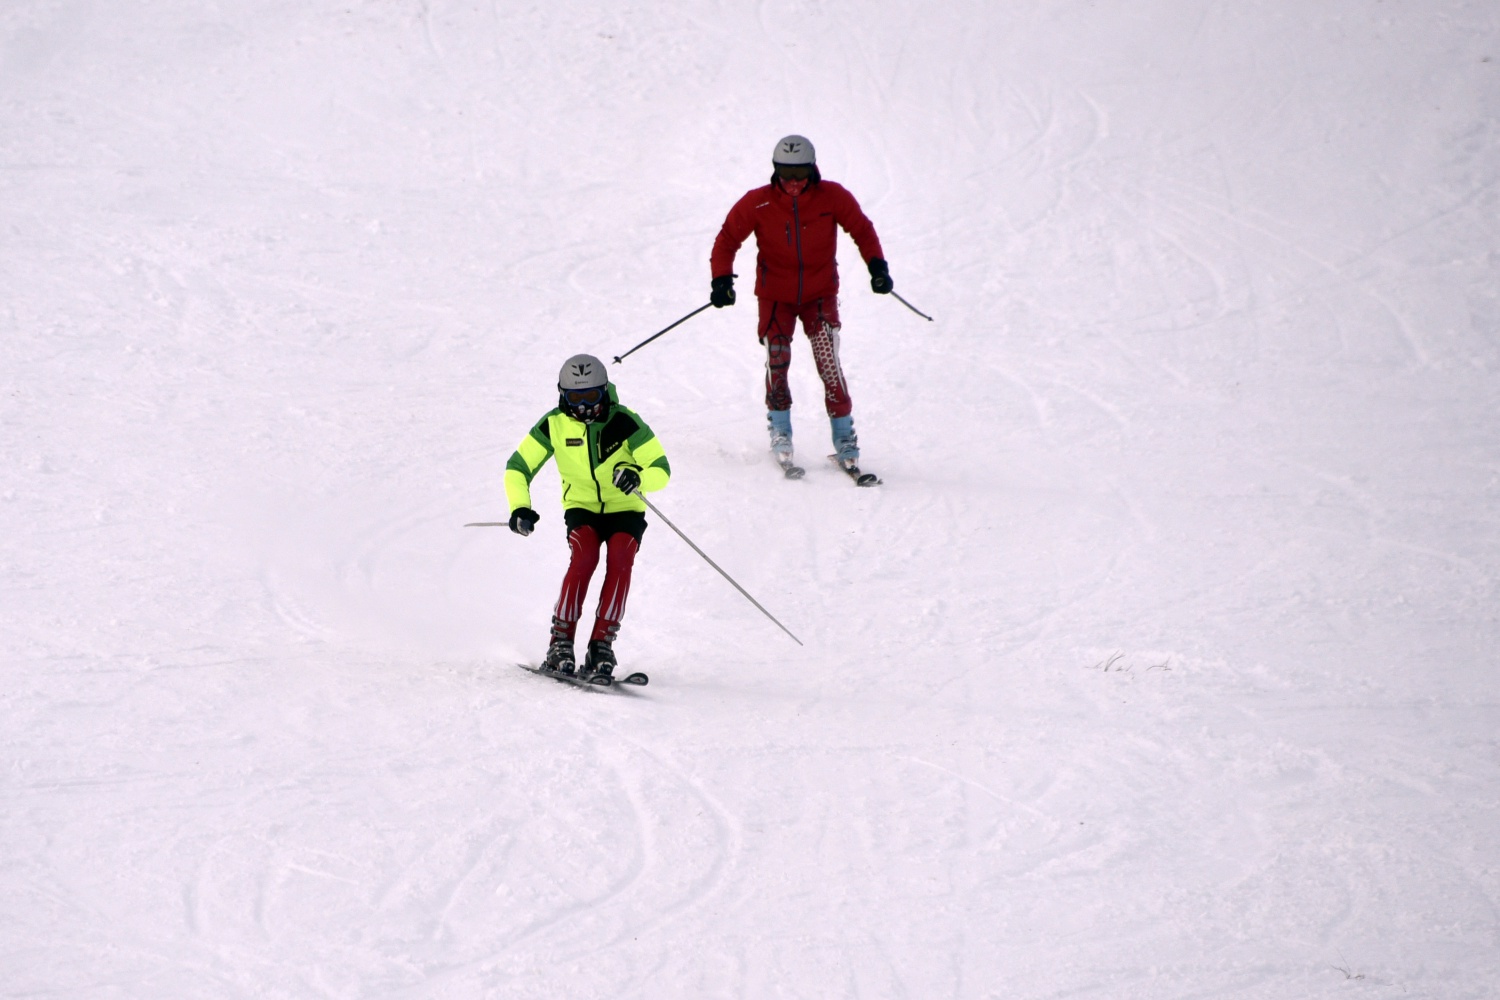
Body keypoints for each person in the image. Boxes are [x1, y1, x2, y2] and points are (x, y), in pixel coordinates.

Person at [709, 134, 894, 472]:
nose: (793, 182)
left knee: (828, 362)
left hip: (819, 295)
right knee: (777, 360)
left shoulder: (832, 197)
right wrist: (721, 280)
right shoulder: (758, 202)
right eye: (785, 173)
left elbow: (862, 229)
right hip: (775, 297)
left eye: (800, 174)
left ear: (812, 169)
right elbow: (727, 239)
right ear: (775, 170)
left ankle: (844, 436)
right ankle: (780, 429)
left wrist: (877, 267)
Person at [504, 354, 671, 680]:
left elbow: (661, 469)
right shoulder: (553, 424)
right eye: (574, 398)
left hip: (625, 507)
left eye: (591, 396)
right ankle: (560, 642)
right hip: (582, 507)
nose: (583, 407)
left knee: (621, 559)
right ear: (562, 395)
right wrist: (519, 507)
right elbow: (518, 467)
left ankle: (601, 645)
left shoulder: (625, 421)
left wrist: (638, 476)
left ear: (604, 391)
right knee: (585, 557)